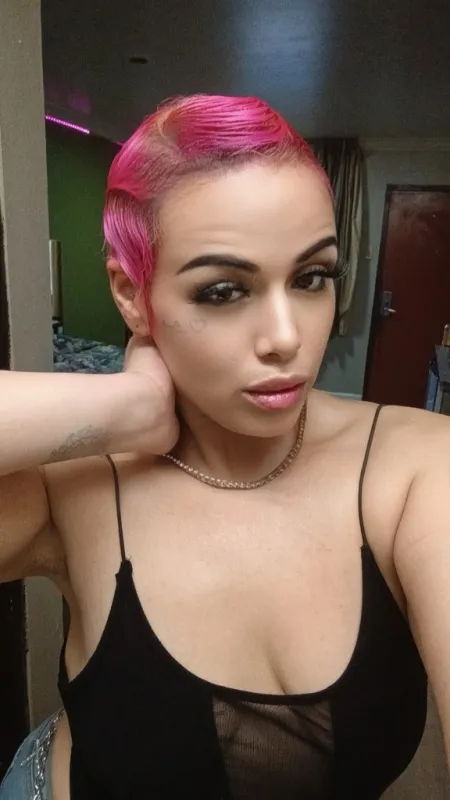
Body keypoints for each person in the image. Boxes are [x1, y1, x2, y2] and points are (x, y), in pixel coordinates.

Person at [0, 93, 448, 800]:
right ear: (130, 293)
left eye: (312, 278)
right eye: (223, 291)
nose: (286, 338)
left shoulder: (419, 469)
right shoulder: (73, 487)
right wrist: (128, 406)